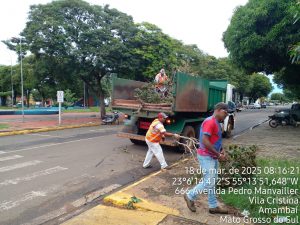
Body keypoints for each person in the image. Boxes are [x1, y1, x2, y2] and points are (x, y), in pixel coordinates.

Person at [184, 102, 229, 214]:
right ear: (218, 110)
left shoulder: (216, 122)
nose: (226, 115)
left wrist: (221, 149)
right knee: (209, 181)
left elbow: (215, 139)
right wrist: (219, 155)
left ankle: (213, 206)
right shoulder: (210, 122)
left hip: (212, 156)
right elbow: (204, 140)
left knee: (212, 181)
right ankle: (190, 195)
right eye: (225, 112)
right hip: (206, 156)